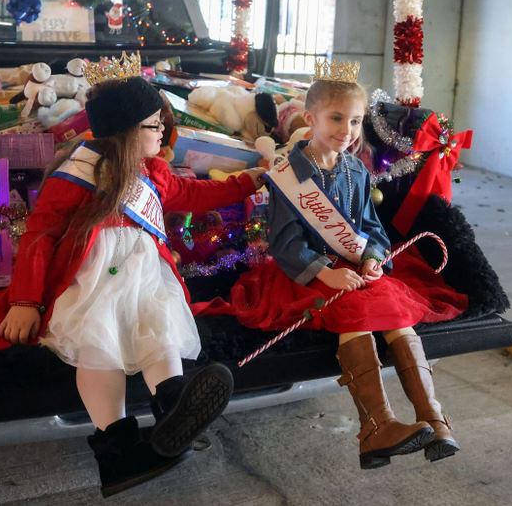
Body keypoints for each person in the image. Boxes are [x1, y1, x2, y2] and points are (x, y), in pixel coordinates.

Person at [0, 58, 265, 497]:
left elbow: (194, 193)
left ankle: (175, 408)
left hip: (148, 277)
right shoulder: (79, 171)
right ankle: (118, 450)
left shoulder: (154, 172)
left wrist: (249, 182)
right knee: (100, 344)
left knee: (161, 329)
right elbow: (39, 236)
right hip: (91, 279)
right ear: (125, 130)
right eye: (153, 124)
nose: (163, 132)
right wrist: (25, 300)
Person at [193, 60, 467, 470]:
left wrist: (374, 257)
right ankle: (377, 426)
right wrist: (326, 271)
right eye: (337, 118)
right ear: (310, 118)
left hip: (352, 265)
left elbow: (371, 229)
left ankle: (433, 419)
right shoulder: (289, 174)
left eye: (356, 121)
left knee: (396, 315)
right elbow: (283, 242)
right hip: (304, 272)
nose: (347, 130)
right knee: (355, 311)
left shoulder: (356, 171)